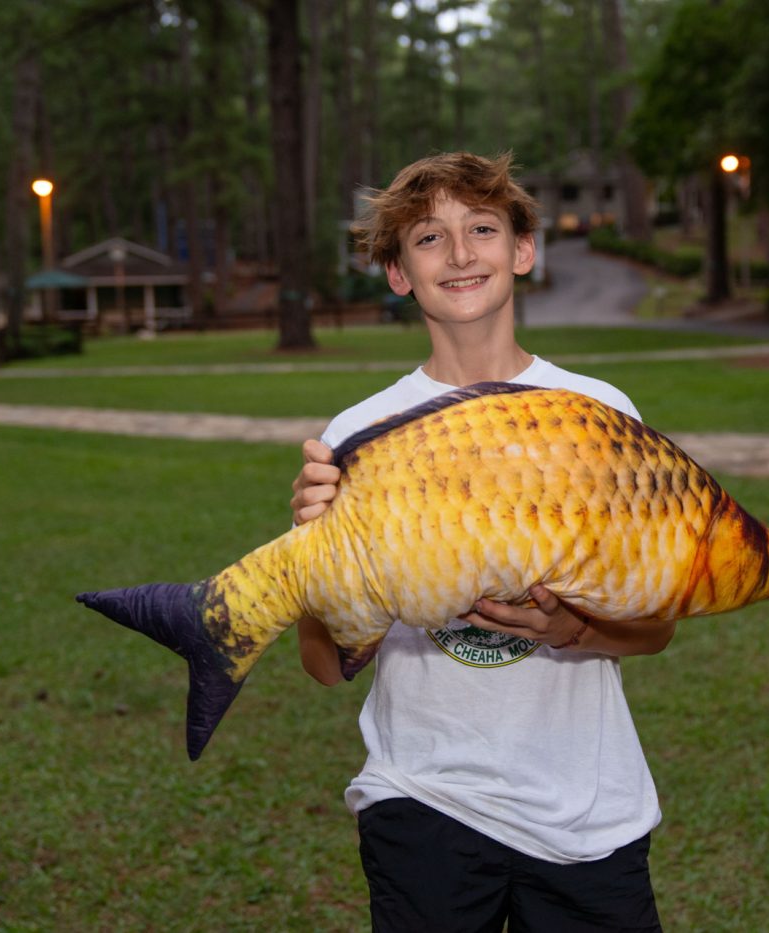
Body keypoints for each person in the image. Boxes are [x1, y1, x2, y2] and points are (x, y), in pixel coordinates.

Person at [289, 151, 671, 932]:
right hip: (423, 799)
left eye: (483, 229)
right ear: (398, 273)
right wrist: (315, 552)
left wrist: (568, 626)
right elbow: (325, 664)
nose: (460, 253)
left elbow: (657, 626)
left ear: (523, 250)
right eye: (429, 238)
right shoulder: (359, 434)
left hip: (585, 807)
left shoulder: (597, 412)